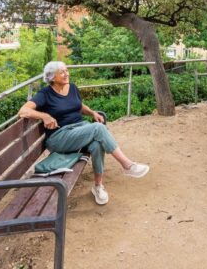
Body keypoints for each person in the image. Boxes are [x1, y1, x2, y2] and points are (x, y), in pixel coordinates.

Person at [19, 61, 149, 205]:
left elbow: (78, 106)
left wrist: (92, 112)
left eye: (66, 70)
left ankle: (98, 186)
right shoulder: (45, 94)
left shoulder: (72, 87)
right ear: (52, 77)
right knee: (98, 128)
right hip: (60, 137)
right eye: (62, 72)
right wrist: (44, 116)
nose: (66, 73)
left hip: (78, 130)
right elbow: (23, 111)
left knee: (97, 144)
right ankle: (127, 165)